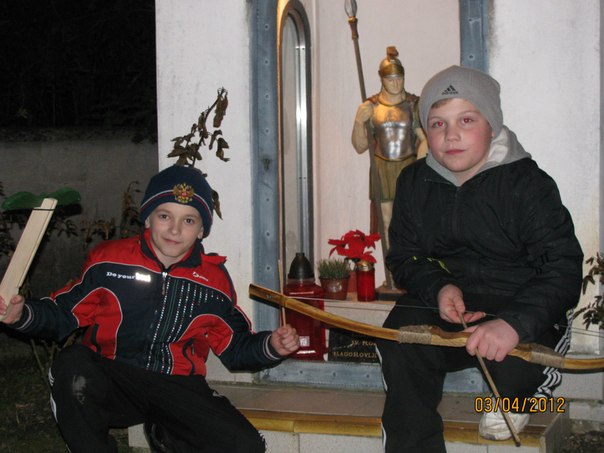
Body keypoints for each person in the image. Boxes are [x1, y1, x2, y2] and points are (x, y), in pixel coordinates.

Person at [0, 164, 299, 453]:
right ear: (147, 219)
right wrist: (22, 315)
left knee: (244, 445)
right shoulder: (109, 261)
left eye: (189, 220)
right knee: (72, 365)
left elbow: (235, 346)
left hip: (176, 385)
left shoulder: (214, 280)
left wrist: (271, 346)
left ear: (201, 231)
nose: (175, 229)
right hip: (115, 379)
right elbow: (63, 313)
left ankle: (168, 433)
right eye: (165, 216)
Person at [375, 65, 583, 452]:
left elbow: (562, 269)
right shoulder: (414, 182)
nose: (450, 135)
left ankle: (519, 399)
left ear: (492, 124)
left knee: (517, 366)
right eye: (437, 123)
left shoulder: (528, 185)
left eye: (466, 120)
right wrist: (439, 287)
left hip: (521, 302)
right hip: (452, 305)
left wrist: (513, 324)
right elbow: (405, 256)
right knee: (400, 340)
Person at [351, 46, 428, 253]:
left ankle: (407, 265)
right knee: (386, 221)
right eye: (390, 79)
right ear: (381, 79)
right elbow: (360, 146)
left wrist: (418, 169)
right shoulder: (371, 106)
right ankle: (392, 270)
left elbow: (425, 140)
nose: (395, 83)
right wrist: (359, 121)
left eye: (399, 78)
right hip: (382, 167)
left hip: (407, 166)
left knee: (410, 220)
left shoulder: (413, 105)